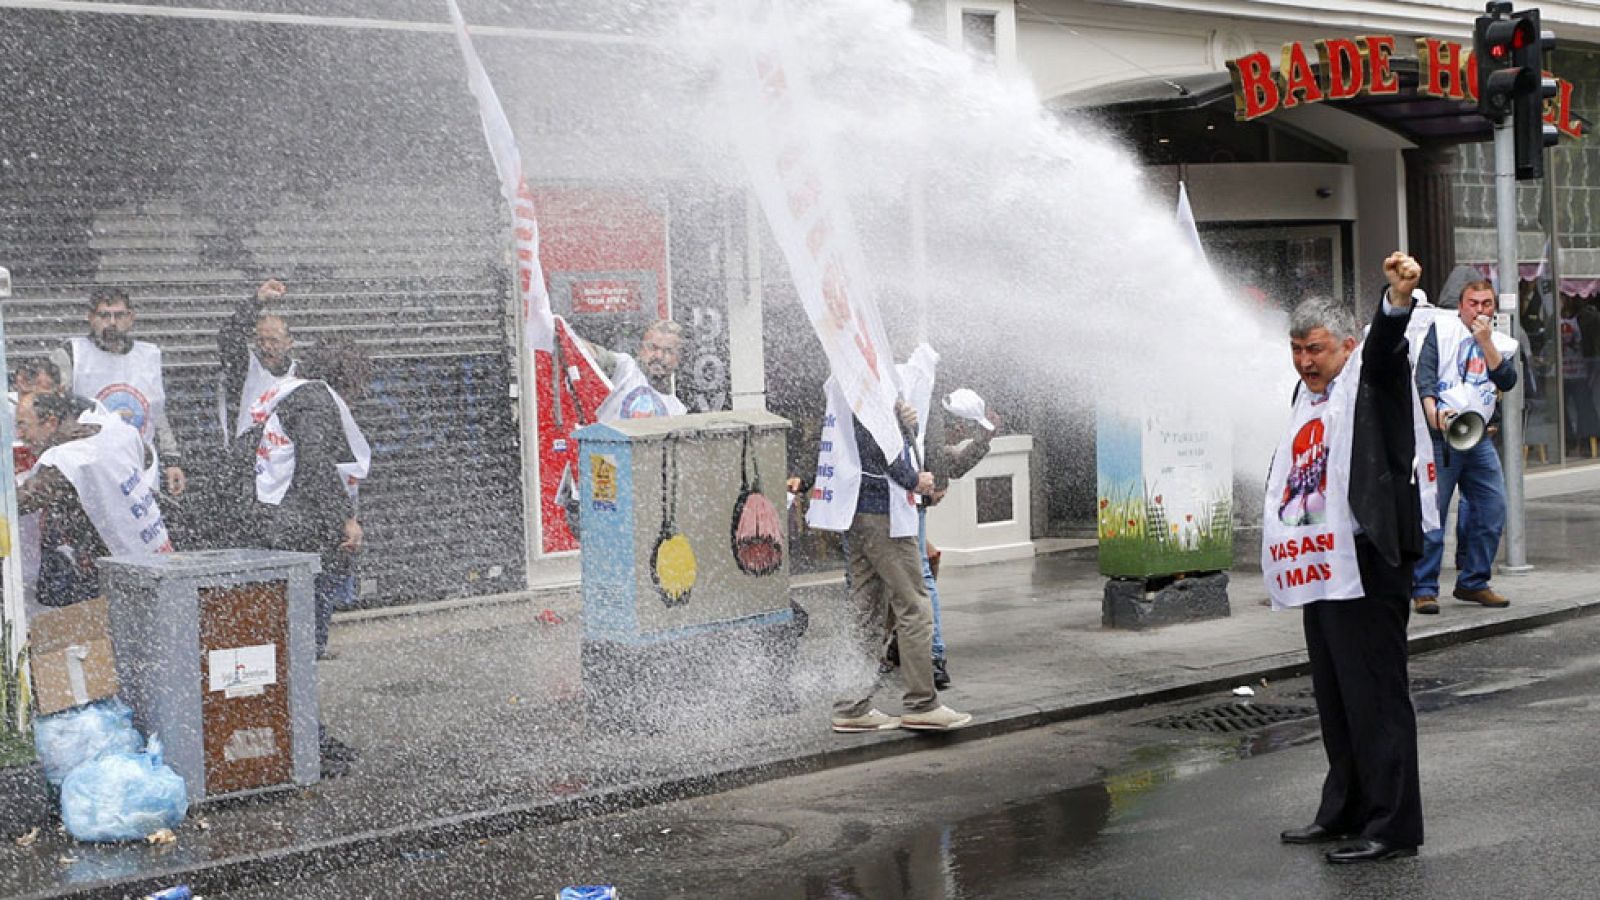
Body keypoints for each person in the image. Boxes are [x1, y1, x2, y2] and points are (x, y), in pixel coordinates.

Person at [1267, 251, 1428, 864]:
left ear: (1347, 345)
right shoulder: (1305, 394)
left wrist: (1396, 300)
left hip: (1370, 560)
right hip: (1323, 559)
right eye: (1296, 350)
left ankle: (1392, 827)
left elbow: (1387, 349)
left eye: (1316, 349)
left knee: (1377, 695)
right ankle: (1345, 811)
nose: (1305, 362)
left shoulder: (1372, 376)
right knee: (1336, 695)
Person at [805, 378, 970, 734]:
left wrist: (905, 422)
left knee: (867, 611)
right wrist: (913, 479)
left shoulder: (848, 382)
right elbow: (878, 443)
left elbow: (871, 439)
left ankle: (851, 706)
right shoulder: (866, 383)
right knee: (914, 607)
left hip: (858, 509)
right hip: (884, 513)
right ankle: (922, 704)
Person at [218, 281, 370, 660]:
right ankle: (299, 652)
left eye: (274, 339)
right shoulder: (252, 373)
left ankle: (305, 646)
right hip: (270, 495)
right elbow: (315, 461)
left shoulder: (301, 381)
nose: (267, 346)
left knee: (316, 566)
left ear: (291, 343)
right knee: (313, 565)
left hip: (275, 494)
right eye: (261, 339)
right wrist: (254, 302)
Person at [1411, 277, 1519, 614]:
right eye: (1473, 303)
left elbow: (1507, 380)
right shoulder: (1441, 331)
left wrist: (1486, 344)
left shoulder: (1499, 342)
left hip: (1478, 439)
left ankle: (1474, 581)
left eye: (1486, 304)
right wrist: (1432, 413)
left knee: (1492, 508)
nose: (1480, 310)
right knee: (1433, 513)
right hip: (1441, 438)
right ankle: (1424, 588)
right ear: (1461, 306)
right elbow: (1425, 376)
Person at [15, 391, 172, 607]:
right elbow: (146, 456)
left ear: (50, 423)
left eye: (23, 425)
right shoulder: (110, 428)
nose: (19, 434)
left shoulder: (72, 459)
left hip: (120, 570)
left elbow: (19, 502)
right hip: (156, 549)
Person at [49, 287, 186, 498]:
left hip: (139, 470)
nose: (112, 322)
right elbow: (50, 408)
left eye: (119, 315)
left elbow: (157, 413)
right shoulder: (72, 355)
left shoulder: (147, 356)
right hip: (90, 469)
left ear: (131, 318)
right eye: (104, 315)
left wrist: (171, 459)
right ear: (91, 318)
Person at [576, 320, 688, 422]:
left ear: (678, 358)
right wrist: (568, 336)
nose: (659, 355)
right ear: (640, 349)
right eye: (652, 347)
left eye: (668, 351)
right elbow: (587, 352)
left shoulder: (678, 411)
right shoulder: (624, 367)